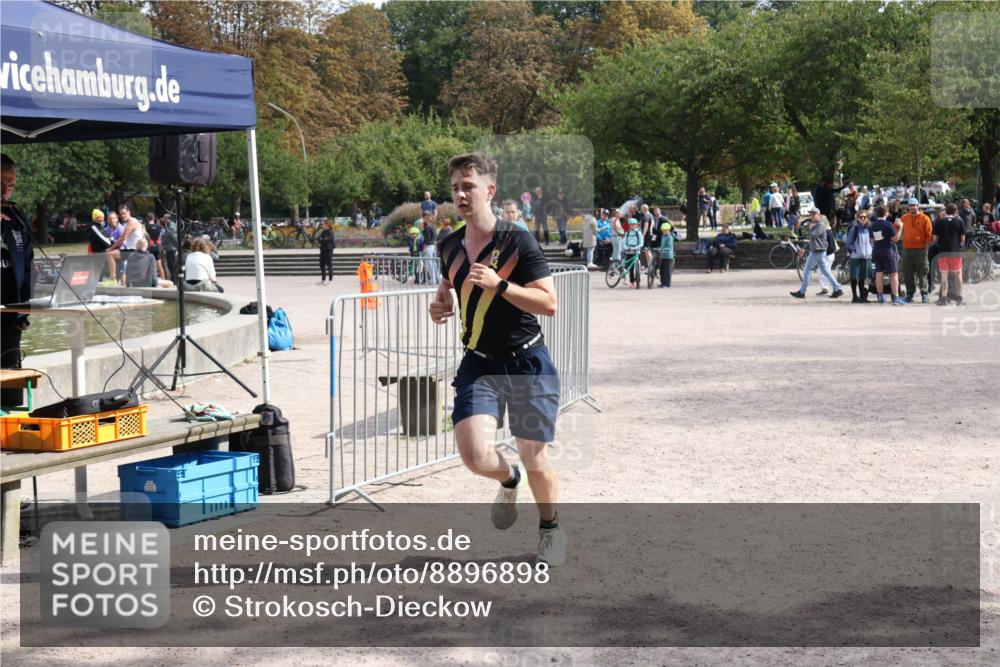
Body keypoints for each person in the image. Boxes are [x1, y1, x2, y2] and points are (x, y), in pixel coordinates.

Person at [430, 152, 564, 566]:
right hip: (480, 364)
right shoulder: (448, 244)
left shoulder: (517, 241)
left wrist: (500, 284)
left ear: (489, 190)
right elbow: (448, 285)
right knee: (473, 456)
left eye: (467, 186)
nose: (460, 193)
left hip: (526, 361)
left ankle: (551, 530)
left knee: (534, 456)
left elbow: (549, 303)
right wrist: (440, 304)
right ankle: (509, 481)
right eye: (454, 187)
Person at [1, 154, 34, 407]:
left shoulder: (16, 218)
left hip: (10, 315)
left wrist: (23, 313)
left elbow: (27, 266)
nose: (5, 190)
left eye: (10, 185)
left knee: (11, 384)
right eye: (0, 182)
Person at [789, 211, 844, 299]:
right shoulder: (817, 225)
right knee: (825, 271)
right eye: (811, 214)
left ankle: (802, 292)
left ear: (819, 215)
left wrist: (811, 228)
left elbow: (813, 235)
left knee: (807, 270)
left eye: (814, 214)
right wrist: (805, 248)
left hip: (817, 251)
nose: (812, 216)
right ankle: (837, 288)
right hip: (818, 251)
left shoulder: (821, 225)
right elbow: (812, 240)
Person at [868, 205, 905, 305]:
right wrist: (901, 227)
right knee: (894, 273)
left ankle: (880, 297)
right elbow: (896, 239)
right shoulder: (888, 224)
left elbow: (872, 239)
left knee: (878, 274)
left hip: (876, 250)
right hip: (888, 250)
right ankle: (896, 297)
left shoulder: (873, 225)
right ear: (887, 213)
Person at [899, 198, 933, 304]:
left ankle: (924, 294)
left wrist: (926, 248)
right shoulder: (904, 218)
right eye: (911, 205)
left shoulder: (925, 218)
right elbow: (898, 230)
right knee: (908, 273)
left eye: (914, 205)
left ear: (918, 206)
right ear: (908, 207)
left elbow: (929, 235)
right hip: (907, 249)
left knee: (923, 272)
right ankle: (910, 294)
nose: (912, 207)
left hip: (921, 249)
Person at [933, 203, 966, 306]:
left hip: (943, 252)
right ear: (956, 212)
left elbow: (935, 239)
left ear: (945, 211)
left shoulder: (939, 222)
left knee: (944, 276)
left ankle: (943, 298)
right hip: (955, 252)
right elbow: (963, 239)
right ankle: (959, 297)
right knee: (958, 275)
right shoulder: (959, 222)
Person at [105, 204, 144, 284]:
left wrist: (111, 248)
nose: (123, 215)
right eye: (121, 214)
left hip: (134, 250)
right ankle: (121, 281)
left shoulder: (131, 222)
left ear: (129, 212)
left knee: (109, 254)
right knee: (116, 259)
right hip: (128, 249)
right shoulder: (126, 223)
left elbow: (122, 238)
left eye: (124, 213)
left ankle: (112, 279)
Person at [845, 211, 873, 303]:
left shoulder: (869, 229)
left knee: (862, 277)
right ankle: (854, 297)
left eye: (865, 217)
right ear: (857, 218)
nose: (863, 219)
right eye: (861, 217)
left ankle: (862, 297)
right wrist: (856, 250)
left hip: (866, 257)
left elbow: (872, 241)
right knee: (854, 277)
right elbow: (848, 243)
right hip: (856, 257)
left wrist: (870, 250)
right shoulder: (854, 229)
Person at [816, 223, 839, 295]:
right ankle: (826, 288)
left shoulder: (825, 232)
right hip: (829, 255)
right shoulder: (829, 231)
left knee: (822, 272)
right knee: (824, 272)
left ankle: (828, 288)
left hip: (826, 255)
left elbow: (830, 246)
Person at [622, 217, 643, 287]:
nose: (632, 226)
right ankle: (632, 282)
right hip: (628, 252)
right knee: (630, 268)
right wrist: (626, 247)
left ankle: (638, 280)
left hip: (636, 252)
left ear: (636, 225)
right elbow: (624, 242)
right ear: (629, 225)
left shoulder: (638, 233)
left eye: (634, 224)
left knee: (638, 267)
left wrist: (635, 248)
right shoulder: (627, 233)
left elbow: (641, 243)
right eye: (631, 224)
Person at [161, 214, 179, 283]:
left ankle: (175, 280)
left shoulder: (171, 227)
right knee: (170, 265)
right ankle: (173, 279)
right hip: (169, 248)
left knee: (173, 265)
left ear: (168, 219)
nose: (163, 219)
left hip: (172, 249)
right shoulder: (168, 226)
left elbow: (174, 238)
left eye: (164, 218)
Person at [318, 220, 335, 285]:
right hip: (322, 250)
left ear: (327, 225)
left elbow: (327, 240)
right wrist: (322, 239)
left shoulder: (330, 232)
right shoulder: (323, 232)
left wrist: (322, 239)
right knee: (322, 265)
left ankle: (331, 280)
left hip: (328, 250)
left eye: (323, 224)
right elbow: (319, 239)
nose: (322, 225)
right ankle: (323, 279)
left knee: (329, 265)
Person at [658, 221, 675, 288]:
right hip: (663, 256)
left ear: (669, 230)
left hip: (668, 256)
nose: (665, 232)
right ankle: (662, 283)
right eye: (663, 230)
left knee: (667, 271)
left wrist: (663, 250)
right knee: (661, 270)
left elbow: (669, 247)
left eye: (666, 230)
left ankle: (667, 284)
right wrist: (660, 249)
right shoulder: (663, 236)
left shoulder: (670, 237)